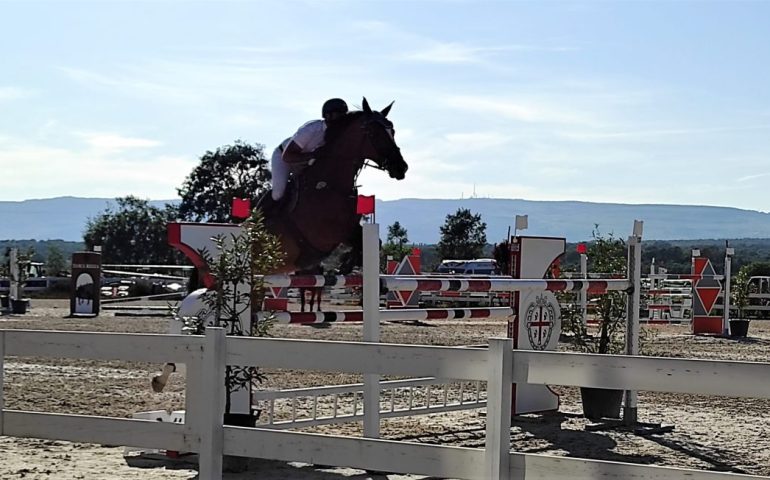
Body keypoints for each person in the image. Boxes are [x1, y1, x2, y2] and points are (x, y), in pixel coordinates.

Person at [267, 98, 348, 205]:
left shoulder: (338, 136)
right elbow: (287, 156)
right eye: (339, 116)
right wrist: (313, 155)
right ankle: (261, 215)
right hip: (283, 157)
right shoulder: (312, 129)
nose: (343, 121)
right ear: (328, 116)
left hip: (306, 162)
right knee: (278, 193)